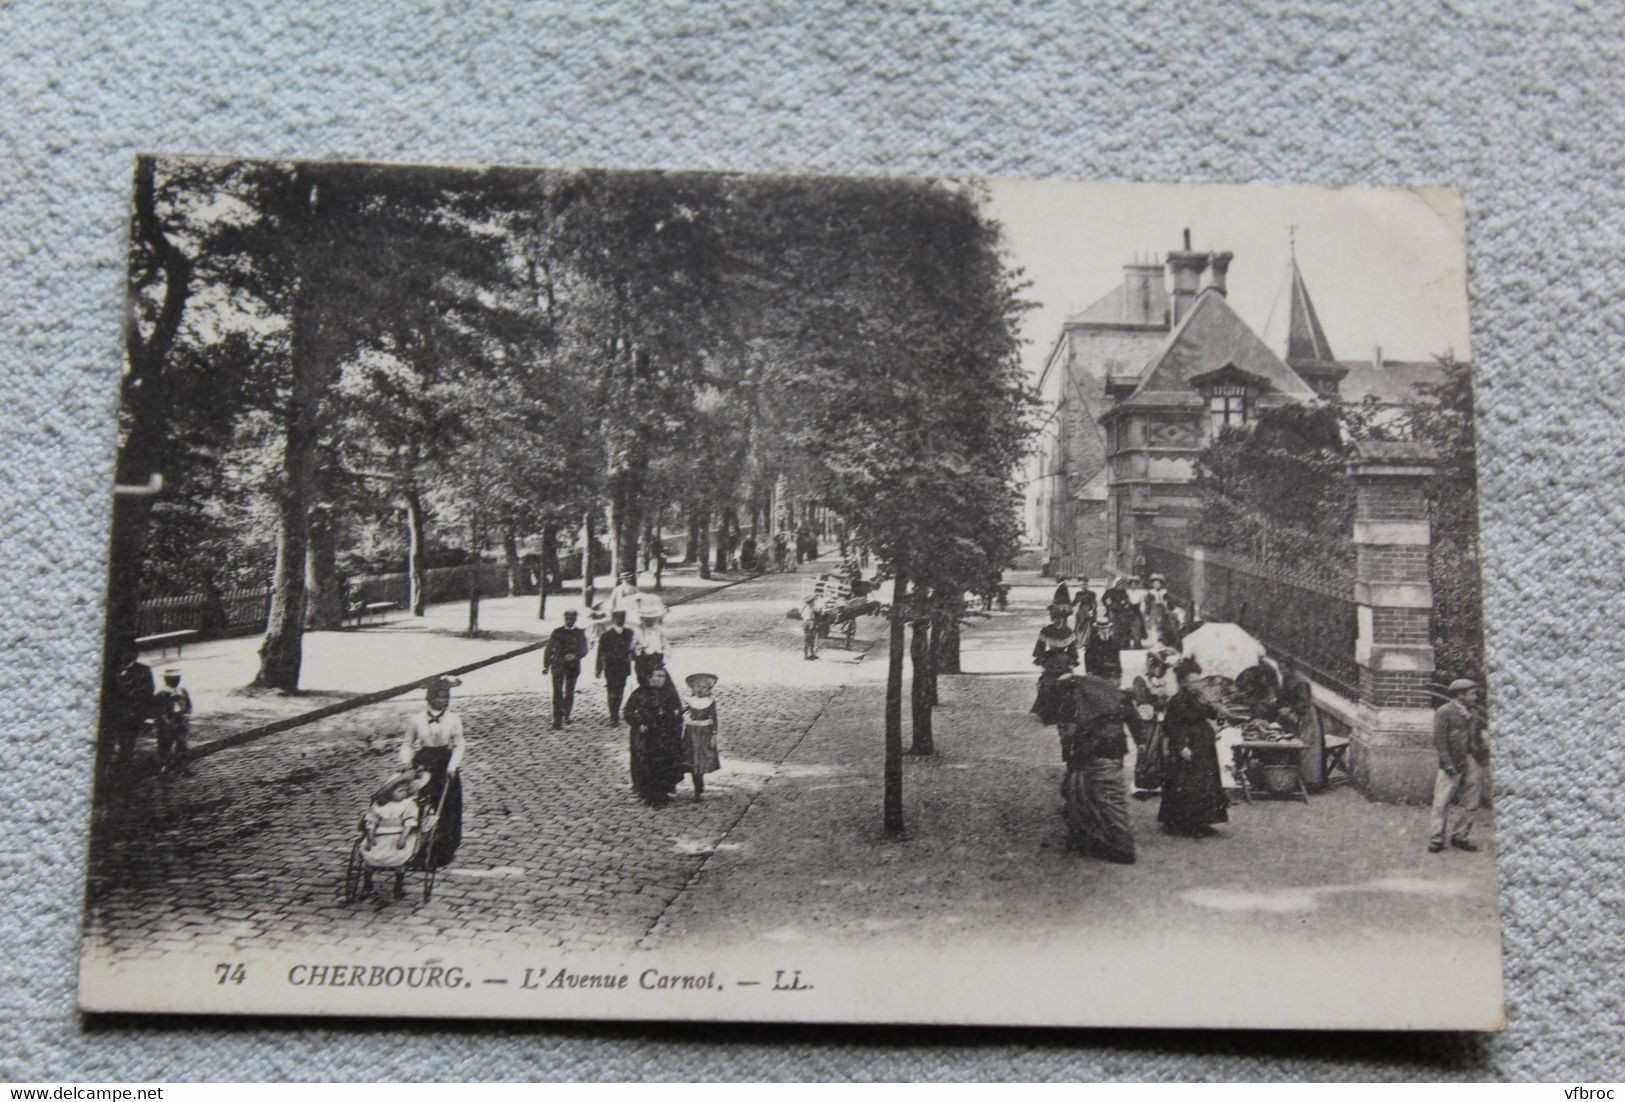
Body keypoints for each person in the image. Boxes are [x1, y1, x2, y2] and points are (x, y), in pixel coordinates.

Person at [1059, 672, 1137, 864]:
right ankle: (1105, 841)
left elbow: (1068, 735)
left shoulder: (1079, 704)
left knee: (1089, 797)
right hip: (1111, 755)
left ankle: (1117, 846)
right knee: (1109, 799)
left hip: (1092, 757)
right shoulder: (1110, 703)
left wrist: (1069, 754)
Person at [1158, 656, 1229, 838]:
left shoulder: (1200, 698)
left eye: (1199, 680)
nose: (1198, 684)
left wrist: (1216, 707)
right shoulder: (1177, 701)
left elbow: (1211, 715)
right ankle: (1182, 823)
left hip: (1203, 745)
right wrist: (1181, 746)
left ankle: (1203, 821)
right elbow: (1171, 726)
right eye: (1194, 681)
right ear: (1184, 683)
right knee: (1187, 785)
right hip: (1188, 745)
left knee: (1206, 784)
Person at [399, 676, 465, 866]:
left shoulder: (453, 719)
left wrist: (453, 766)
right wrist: (406, 761)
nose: (445, 700)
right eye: (441, 696)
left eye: (447, 697)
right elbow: (407, 744)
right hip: (423, 763)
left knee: (447, 807)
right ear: (430, 698)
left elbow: (459, 744)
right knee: (417, 805)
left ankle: (443, 850)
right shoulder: (416, 720)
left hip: (444, 763)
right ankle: (413, 847)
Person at [1429, 678, 1488, 854]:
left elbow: (1479, 736)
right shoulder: (1444, 712)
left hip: (1472, 759)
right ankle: (1436, 837)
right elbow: (1439, 740)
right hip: (1453, 761)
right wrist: (1447, 763)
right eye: (1472, 694)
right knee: (1442, 800)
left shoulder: (1475, 713)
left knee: (1472, 800)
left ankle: (1460, 835)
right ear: (1460, 695)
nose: (1476, 697)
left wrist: (1481, 753)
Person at [359, 768, 428, 898]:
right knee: (370, 856)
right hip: (379, 837)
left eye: (406, 791)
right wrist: (370, 836)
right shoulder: (380, 806)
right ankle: (367, 884)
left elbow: (410, 822)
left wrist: (403, 837)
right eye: (400, 791)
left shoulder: (408, 804)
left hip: (399, 836)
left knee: (400, 858)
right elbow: (371, 821)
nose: (404, 793)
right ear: (390, 792)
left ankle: (398, 885)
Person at [625, 667, 685, 804]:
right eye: (656, 676)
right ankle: (642, 791)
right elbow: (628, 712)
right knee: (642, 762)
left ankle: (664, 791)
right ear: (649, 677)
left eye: (662, 676)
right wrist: (638, 723)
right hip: (644, 735)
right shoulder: (639, 693)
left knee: (663, 762)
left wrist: (673, 719)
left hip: (663, 735)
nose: (659, 679)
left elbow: (677, 714)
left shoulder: (670, 694)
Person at [108, 643, 156, 770]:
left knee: (128, 742)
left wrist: (148, 716)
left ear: (135, 656)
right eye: (123, 654)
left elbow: (148, 694)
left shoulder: (144, 671)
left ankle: (124, 767)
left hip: (133, 714)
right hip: (114, 714)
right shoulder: (112, 670)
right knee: (108, 744)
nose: (125, 657)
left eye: (129, 654)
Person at [1030, 604, 1079, 723]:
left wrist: (1071, 662)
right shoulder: (1047, 630)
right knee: (1048, 685)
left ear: (1064, 619)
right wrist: (1042, 661)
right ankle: (1048, 714)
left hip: (1064, 661)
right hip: (1050, 661)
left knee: (1068, 685)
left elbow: (1073, 650)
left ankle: (1066, 714)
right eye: (1055, 618)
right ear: (1052, 619)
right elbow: (1040, 648)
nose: (1058, 620)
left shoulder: (1068, 631)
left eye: (1060, 618)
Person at [543, 610, 589, 729]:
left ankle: (567, 714)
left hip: (573, 667)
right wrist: (545, 665)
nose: (569, 621)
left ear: (575, 620)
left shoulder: (579, 633)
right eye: (567, 619)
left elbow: (584, 649)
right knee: (557, 693)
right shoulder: (557, 632)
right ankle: (557, 720)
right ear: (564, 619)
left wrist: (575, 655)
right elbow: (549, 649)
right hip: (558, 666)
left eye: (572, 619)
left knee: (569, 691)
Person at [681, 673, 722, 801]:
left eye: (703, 687)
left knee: (702, 760)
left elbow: (714, 719)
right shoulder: (689, 701)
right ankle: (697, 786)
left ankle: (699, 786)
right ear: (693, 688)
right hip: (691, 732)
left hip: (705, 733)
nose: (700, 689)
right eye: (697, 686)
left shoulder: (710, 702)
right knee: (692, 760)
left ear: (708, 689)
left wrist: (714, 735)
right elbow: (680, 711)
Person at [596, 609, 636, 724]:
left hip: (623, 667)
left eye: (623, 617)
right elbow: (600, 653)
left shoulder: (629, 633)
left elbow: (633, 650)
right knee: (612, 691)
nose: (621, 620)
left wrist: (634, 655)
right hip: (611, 667)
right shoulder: (606, 636)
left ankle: (616, 711)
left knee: (620, 690)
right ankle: (613, 715)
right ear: (613, 619)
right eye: (618, 618)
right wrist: (598, 669)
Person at [153, 667, 194, 777]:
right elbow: (158, 711)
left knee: (182, 744)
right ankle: (164, 768)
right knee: (165, 745)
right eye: (173, 679)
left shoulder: (183, 691)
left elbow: (189, 705)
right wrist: (166, 721)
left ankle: (182, 767)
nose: (176, 681)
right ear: (166, 680)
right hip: (167, 722)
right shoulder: (161, 694)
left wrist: (186, 714)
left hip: (181, 720)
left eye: (177, 678)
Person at [634, 610, 669, 687]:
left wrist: (665, 658)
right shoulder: (638, 630)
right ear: (643, 619)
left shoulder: (659, 630)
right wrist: (640, 648)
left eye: (652, 619)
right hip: (643, 659)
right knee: (644, 681)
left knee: (658, 681)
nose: (649, 621)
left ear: (655, 619)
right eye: (647, 619)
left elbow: (665, 645)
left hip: (657, 658)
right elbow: (633, 645)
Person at [801, 594, 822, 660]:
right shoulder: (811, 609)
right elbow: (814, 617)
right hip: (809, 623)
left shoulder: (805, 608)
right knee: (808, 640)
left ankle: (811, 654)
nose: (814, 603)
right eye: (813, 602)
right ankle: (806, 655)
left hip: (806, 623)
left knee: (810, 639)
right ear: (811, 602)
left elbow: (803, 616)